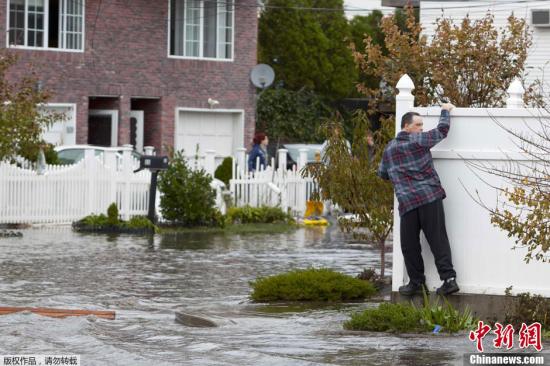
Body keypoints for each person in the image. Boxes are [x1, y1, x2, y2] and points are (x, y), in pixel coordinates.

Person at [378, 103, 459, 296]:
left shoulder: (389, 149)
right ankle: (449, 279)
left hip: (407, 202)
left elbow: (382, 174)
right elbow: (442, 130)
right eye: (418, 124)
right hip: (430, 197)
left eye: (422, 125)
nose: (421, 128)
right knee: (438, 239)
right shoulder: (419, 140)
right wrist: (445, 110)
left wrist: (401, 174)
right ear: (406, 126)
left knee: (409, 244)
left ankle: (416, 282)